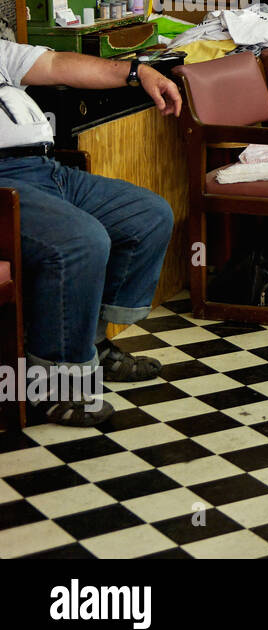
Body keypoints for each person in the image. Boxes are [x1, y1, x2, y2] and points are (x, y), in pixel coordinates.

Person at [0, 43, 182, 426]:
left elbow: (56, 62)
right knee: (82, 241)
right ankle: (50, 386)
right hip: (4, 184)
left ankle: (92, 343)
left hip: (48, 169)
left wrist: (137, 72)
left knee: (147, 216)